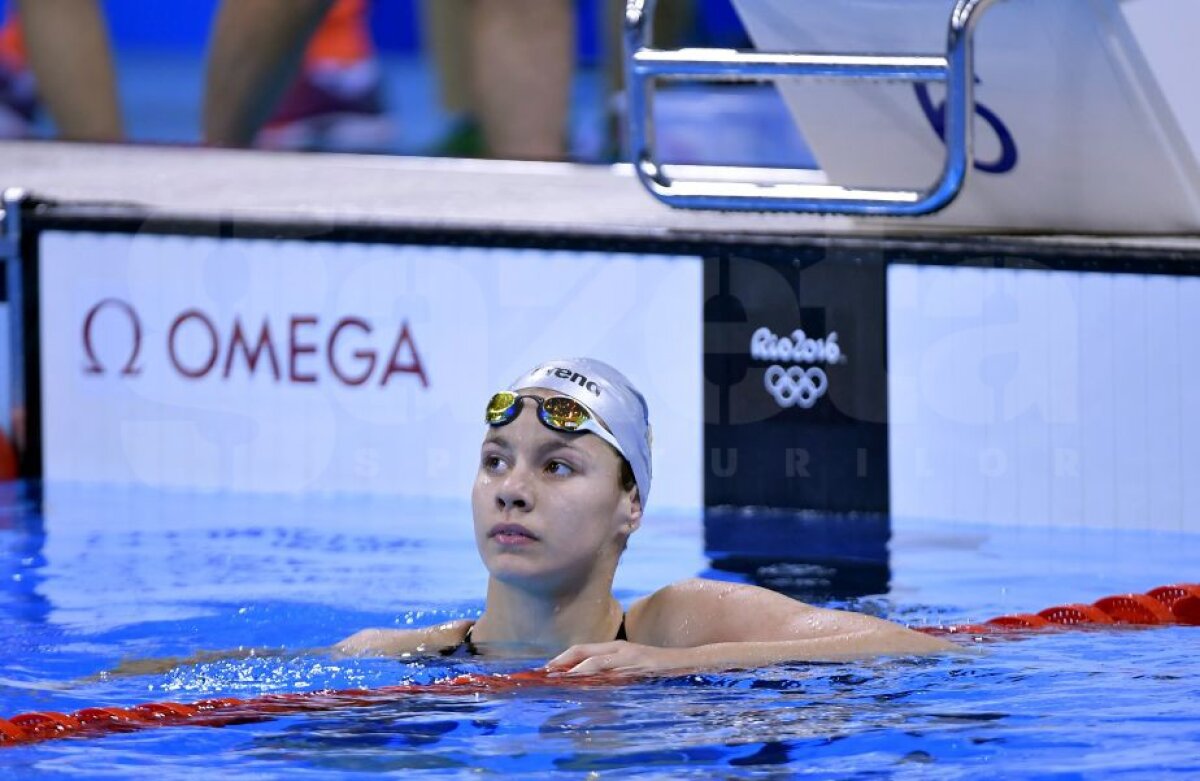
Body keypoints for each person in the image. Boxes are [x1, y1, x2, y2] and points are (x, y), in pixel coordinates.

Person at [337, 358, 955, 674]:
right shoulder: (389, 655)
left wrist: (674, 665)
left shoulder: (679, 625)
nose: (512, 491)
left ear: (630, 505)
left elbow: (915, 649)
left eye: (557, 467)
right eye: (496, 461)